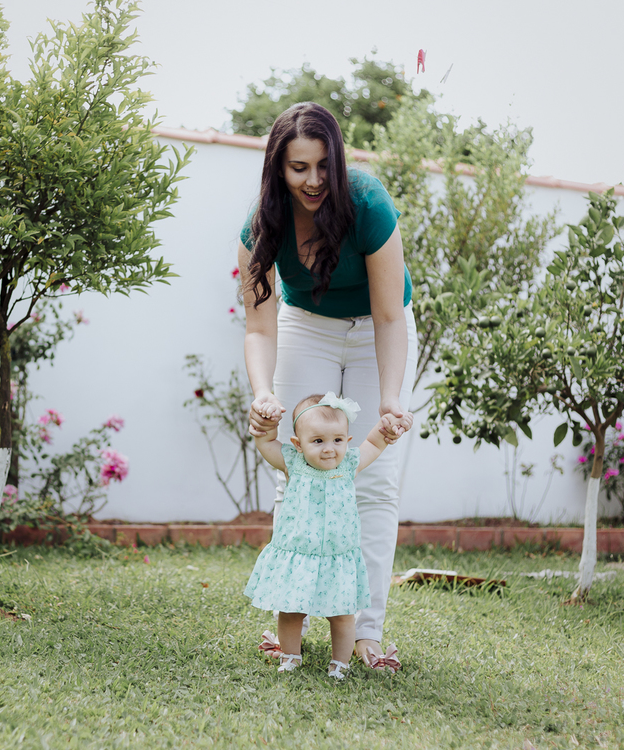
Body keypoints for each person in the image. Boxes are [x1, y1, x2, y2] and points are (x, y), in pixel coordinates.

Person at [238, 101, 419, 673]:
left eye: (322, 166)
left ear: (336, 162)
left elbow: (391, 317)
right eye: (298, 168)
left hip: (376, 329)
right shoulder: (261, 223)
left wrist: (389, 399)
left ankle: (366, 633)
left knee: (375, 482)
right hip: (305, 328)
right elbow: (258, 325)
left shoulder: (366, 202)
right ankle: (291, 620)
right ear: (278, 170)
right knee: (295, 472)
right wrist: (264, 393)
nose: (313, 180)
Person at [244, 393, 411, 680]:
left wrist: (387, 427)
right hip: (300, 555)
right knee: (291, 610)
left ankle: (340, 663)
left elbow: (372, 443)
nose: (329, 449)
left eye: (337, 440)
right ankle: (291, 655)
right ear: (298, 444)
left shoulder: (348, 465)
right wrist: (268, 425)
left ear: (347, 441)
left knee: (343, 615)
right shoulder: (293, 464)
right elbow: (266, 443)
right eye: (317, 441)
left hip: (338, 557)